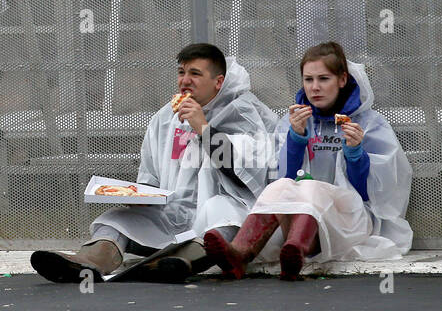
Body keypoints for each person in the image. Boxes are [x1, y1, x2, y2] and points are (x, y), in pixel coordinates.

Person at [30, 43, 276, 283]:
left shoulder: (242, 112)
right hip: (174, 213)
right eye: (181, 72)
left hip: (223, 209)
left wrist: (203, 129)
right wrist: (141, 197)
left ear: (218, 82)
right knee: (115, 218)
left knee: (222, 214)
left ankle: (182, 262)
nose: (185, 81)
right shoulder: (165, 118)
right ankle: (88, 262)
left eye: (195, 74)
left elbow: (247, 172)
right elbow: (149, 174)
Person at [202, 41, 412, 280]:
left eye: (324, 79)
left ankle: (295, 251)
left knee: (311, 187)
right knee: (280, 187)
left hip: (352, 220)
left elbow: (374, 195)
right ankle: (240, 254)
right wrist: (296, 139)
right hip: (299, 221)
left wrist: (355, 154)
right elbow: (284, 179)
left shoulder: (368, 123)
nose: (315, 88)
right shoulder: (294, 120)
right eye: (308, 79)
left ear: (342, 80)